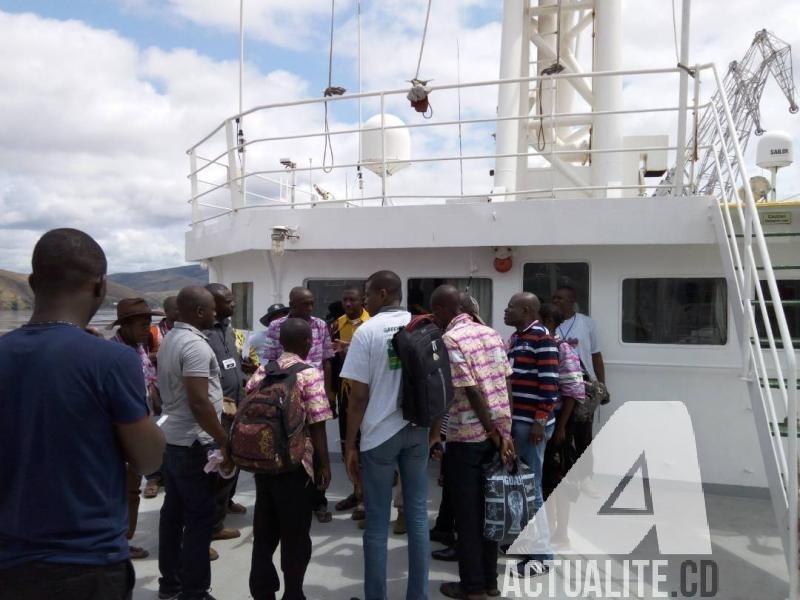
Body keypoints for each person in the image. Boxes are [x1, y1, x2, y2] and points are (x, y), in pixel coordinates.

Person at [0, 228, 165, 600]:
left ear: (31, 283)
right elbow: (149, 458)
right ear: (100, 286)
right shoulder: (112, 361)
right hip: (87, 563)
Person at [341, 270, 430, 600]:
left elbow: (358, 397)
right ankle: (418, 596)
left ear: (383, 293)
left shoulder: (367, 332)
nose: (364, 300)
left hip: (379, 435)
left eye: (367, 293)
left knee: (377, 523)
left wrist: (350, 445)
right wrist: (434, 432)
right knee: (418, 517)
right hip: (417, 430)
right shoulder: (423, 326)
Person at [431, 286, 515, 600]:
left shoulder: (451, 340)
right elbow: (506, 383)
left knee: (467, 517)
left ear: (442, 309)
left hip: (468, 439)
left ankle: (473, 587)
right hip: (497, 439)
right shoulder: (491, 333)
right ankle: (490, 582)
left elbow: (470, 390)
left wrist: (493, 431)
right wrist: (506, 432)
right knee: (490, 513)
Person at [245, 318, 334, 600]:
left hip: (263, 462)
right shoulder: (309, 373)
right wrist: (324, 464)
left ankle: (262, 591)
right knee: (295, 535)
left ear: (281, 342)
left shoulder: (263, 370)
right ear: (308, 343)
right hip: (297, 466)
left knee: (265, 531)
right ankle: (293, 593)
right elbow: (318, 422)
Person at [157, 285, 232, 600]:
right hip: (193, 445)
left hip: (172, 440)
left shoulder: (170, 339)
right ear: (200, 312)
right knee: (200, 519)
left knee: (172, 514)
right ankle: (195, 592)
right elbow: (200, 403)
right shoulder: (196, 346)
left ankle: (170, 585)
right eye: (212, 309)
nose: (216, 314)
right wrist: (224, 441)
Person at [264, 287, 336, 523]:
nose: (310, 309)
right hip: (287, 392)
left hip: (313, 388)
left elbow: (326, 360)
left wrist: (327, 392)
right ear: (292, 305)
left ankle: (319, 500)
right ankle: (291, 499)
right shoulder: (276, 327)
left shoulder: (320, 325)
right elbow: (272, 361)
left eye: (312, 303)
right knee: (288, 442)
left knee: (316, 442)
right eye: (304, 304)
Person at [504, 292, 560, 577]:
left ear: (526, 310)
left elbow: (550, 383)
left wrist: (540, 421)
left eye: (511, 307)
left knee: (532, 490)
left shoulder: (542, 339)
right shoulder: (516, 339)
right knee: (520, 488)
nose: (505, 310)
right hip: (519, 424)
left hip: (531, 426)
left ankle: (543, 557)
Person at [110, 297, 165, 560]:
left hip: (141, 425)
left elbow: (149, 382)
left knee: (133, 489)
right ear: (126, 325)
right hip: (119, 433)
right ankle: (117, 542)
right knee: (118, 491)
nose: (148, 330)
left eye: (149, 323)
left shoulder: (139, 347)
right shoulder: (111, 355)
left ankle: (126, 538)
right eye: (143, 325)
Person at [551, 285, 606, 495]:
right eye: (554, 298)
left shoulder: (586, 323)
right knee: (560, 433)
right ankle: (563, 476)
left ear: (572, 300)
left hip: (584, 387)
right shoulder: (548, 323)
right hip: (557, 387)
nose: (555, 301)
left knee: (584, 435)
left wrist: (601, 385)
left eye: (560, 298)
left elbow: (596, 355)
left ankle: (586, 478)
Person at [538, 303, 584, 546]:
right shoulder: (540, 344)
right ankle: (551, 525)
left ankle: (562, 531)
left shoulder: (563, 349)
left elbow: (574, 391)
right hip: (544, 421)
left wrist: (561, 428)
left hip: (557, 422)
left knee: (558, 478)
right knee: (546, 479)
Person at [204, 283, 246, 544]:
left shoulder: (228, 330)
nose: (233, 304)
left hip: (237, 410)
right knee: (219, 466)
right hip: (218, 413)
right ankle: (213, 525)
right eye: (228, 301)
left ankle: (226, 503)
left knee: (234, 461)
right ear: (212, 304)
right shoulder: (203, 335)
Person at [331, 285, 370, 521]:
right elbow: (331, 362)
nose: (348, 304)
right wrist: (331, 395)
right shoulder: (336, 325)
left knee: (367, 446)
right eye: (345, 300)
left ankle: (368, 498)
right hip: (346, 393)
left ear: (362, 300)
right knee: (349, 444)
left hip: (367, 393)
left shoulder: (372, 324)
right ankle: (356, 491)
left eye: (352, 300)